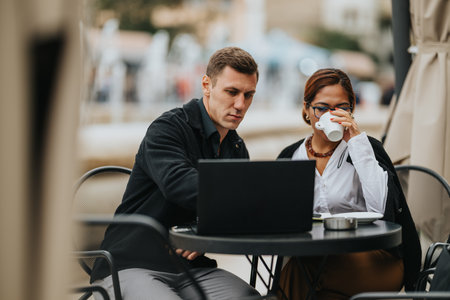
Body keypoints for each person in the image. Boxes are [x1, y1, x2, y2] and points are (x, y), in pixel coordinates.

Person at [90, 47, 261, 300]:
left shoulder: (236, 147)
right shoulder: (168, 128)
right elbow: (179, 184)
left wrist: (207, 230)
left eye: (249, 95)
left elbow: (237, 216)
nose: (240, 104)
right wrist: (247, 199)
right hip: (130, 264)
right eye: (232, 92)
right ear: (206, 85)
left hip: (190, 271)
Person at [277, 68, 421, 300]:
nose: (331, 115)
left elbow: (381, 209)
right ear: (306, 109)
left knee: (299, 273)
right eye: (322, 108)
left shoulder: (366, 149)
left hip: (374, 257)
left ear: (352, 109)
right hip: (315, 257)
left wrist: (356, 142)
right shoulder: (290, 156)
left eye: (341, 108)